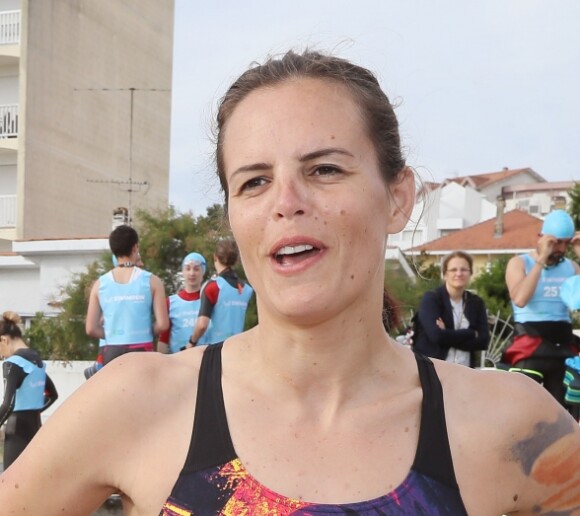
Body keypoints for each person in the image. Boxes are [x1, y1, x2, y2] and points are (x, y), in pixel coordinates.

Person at [0, 50, 579, 515]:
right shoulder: (137, 403)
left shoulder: (514, 427)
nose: (287, 203)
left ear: (398, 198)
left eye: (324, 169)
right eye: (254, 182)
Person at [505, 209, 580, 407]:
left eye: (566, 242)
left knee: (564, 416)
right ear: (541, 238)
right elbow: (520, 299)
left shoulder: (571, 267)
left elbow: (577, 303)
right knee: (524, 410)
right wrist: (541, 260)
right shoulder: (519, 263)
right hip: (530, 347)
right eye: (556, 242)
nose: (562, 249)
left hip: (562, 348)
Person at [85, 224, 169, 365]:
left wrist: (114, 334)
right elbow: (163, 324)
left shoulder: (100, 284)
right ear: (135, 247)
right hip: (142, 349)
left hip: (112, 351)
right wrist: (146, 332)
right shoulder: (152, 281)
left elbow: (91, 328)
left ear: (113, 250)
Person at [0, 311, 58, 470]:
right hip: (35, 428)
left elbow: (8, 405)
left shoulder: (12, 363)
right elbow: (53, 396)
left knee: (10, 485)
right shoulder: (36, 359)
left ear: (4, 340)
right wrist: (35, 411)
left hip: (16, 431)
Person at [413, 250, 490, 367]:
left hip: (465, 372)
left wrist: (447, 333)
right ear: (445, 274)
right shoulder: (432, 299)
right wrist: (470, 333)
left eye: (464, 269)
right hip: (434, 370)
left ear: (470, 273)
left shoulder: (476, 302)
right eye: (453, 270)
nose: (459, 273)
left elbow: (483, 341)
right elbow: (436, 336)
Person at [188, 238, 253, 347]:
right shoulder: (247, 289)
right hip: (239, 348)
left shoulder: (213, 287)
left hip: (216, 350)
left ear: (215, 257)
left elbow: (202, 325)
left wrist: (191, 342)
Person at [158, 252, 207, 354]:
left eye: (196, 269)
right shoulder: (170, 302)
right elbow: (163, 339)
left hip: (206, 358)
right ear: (183, 272)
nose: (192, 273)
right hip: (179, 361)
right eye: (188, 268)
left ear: (203, 272)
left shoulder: (210, 300)